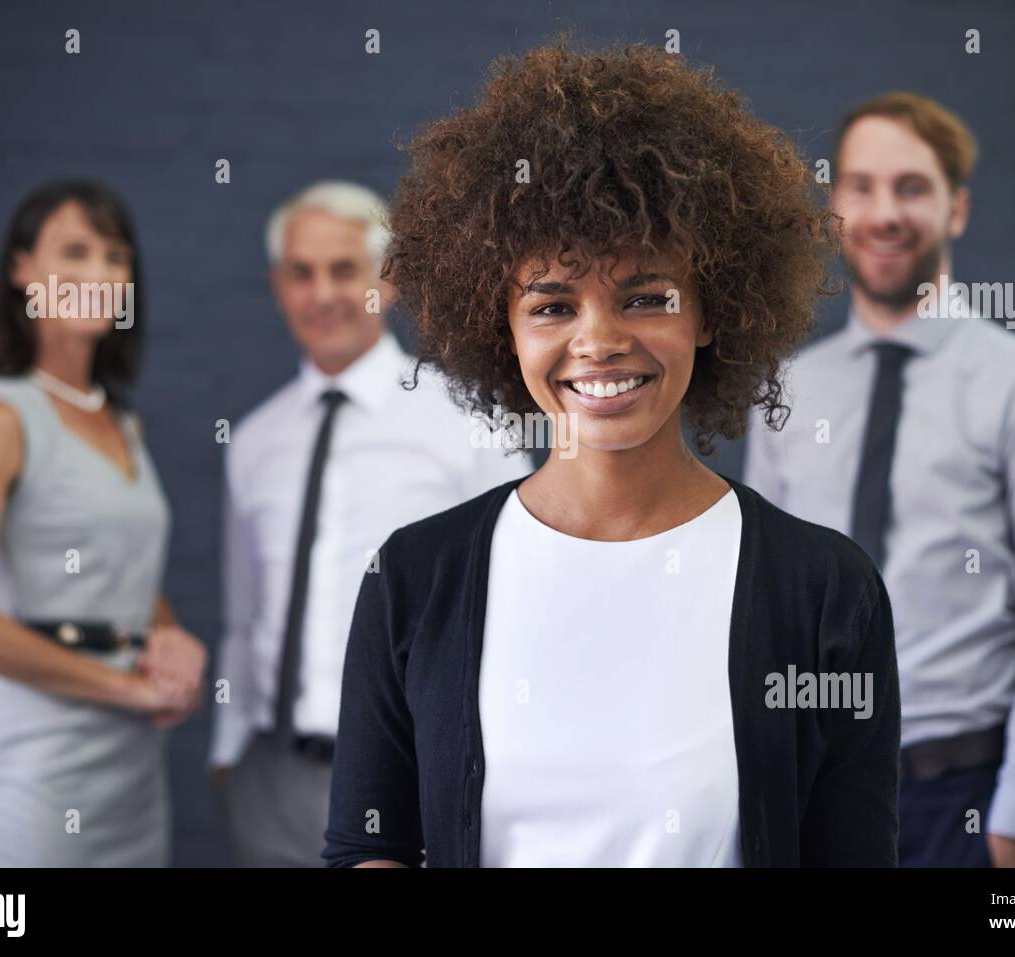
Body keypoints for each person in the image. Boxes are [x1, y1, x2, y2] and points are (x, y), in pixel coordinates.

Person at [323, 39, 900, 868]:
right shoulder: (414, 579)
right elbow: (366, 849)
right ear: (504, 329)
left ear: (712, 312)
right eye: (553, 305)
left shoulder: (824, 591)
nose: (598, 341)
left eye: (646, 296)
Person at [744, 92, 1015, 867]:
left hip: (967, 799)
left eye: (912, 187)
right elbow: (768, 606)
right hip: (820, 795)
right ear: (836, 204)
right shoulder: (785, 393)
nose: (884, 212)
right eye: (862, 186)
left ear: (957, 209)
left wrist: (1013, 832)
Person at [210, 180, 530, 867]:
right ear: (277, 287)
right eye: (301, 273)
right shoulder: (254, 441)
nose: (321, 293)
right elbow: (246, 612)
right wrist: (226, 750)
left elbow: (520, 596)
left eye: (342, 270)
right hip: (271, 774)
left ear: (386, 281)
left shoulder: (469, 422)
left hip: (411, 770)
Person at [0, 180, 207, 867]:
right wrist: (121, 687)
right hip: (39, 761)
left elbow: (124, 572)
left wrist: (171, 638)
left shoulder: (123, 421)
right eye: (74, 250)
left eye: (115, 256)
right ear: (22, 269)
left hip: (134, 762)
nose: (99, 273)